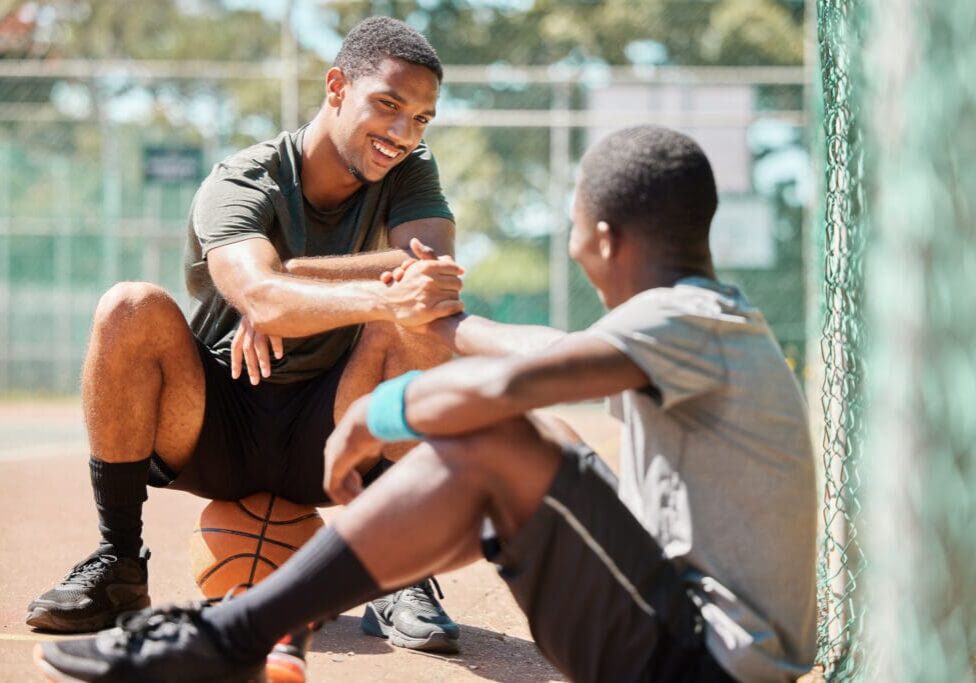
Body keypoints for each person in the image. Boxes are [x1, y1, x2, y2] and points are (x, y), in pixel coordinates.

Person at [34, 125, 818, 683]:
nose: (574, 245)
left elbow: (522, 378)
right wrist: (409, 308)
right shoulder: (705, 319)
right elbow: (532, 347)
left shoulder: (692, 321)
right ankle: (265, 619)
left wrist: (383, 413)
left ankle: (230, 633)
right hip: (687, 635)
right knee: (508, 450)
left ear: (604, 239)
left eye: (573, 227)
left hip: (700, 656)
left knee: (495, 437)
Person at [26, 14, 467, 676]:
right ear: (337, 86)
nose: (403, 134)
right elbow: (260, 295)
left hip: (333, 427)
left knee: (409, 319)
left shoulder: (408, 171)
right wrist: (285, 295)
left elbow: (429, 272)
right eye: (389, 106)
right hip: (220, 418)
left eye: (421, 120)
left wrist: (295, 285)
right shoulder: (245, 180)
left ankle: (402, 572)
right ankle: (118, 559)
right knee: (130, 306)